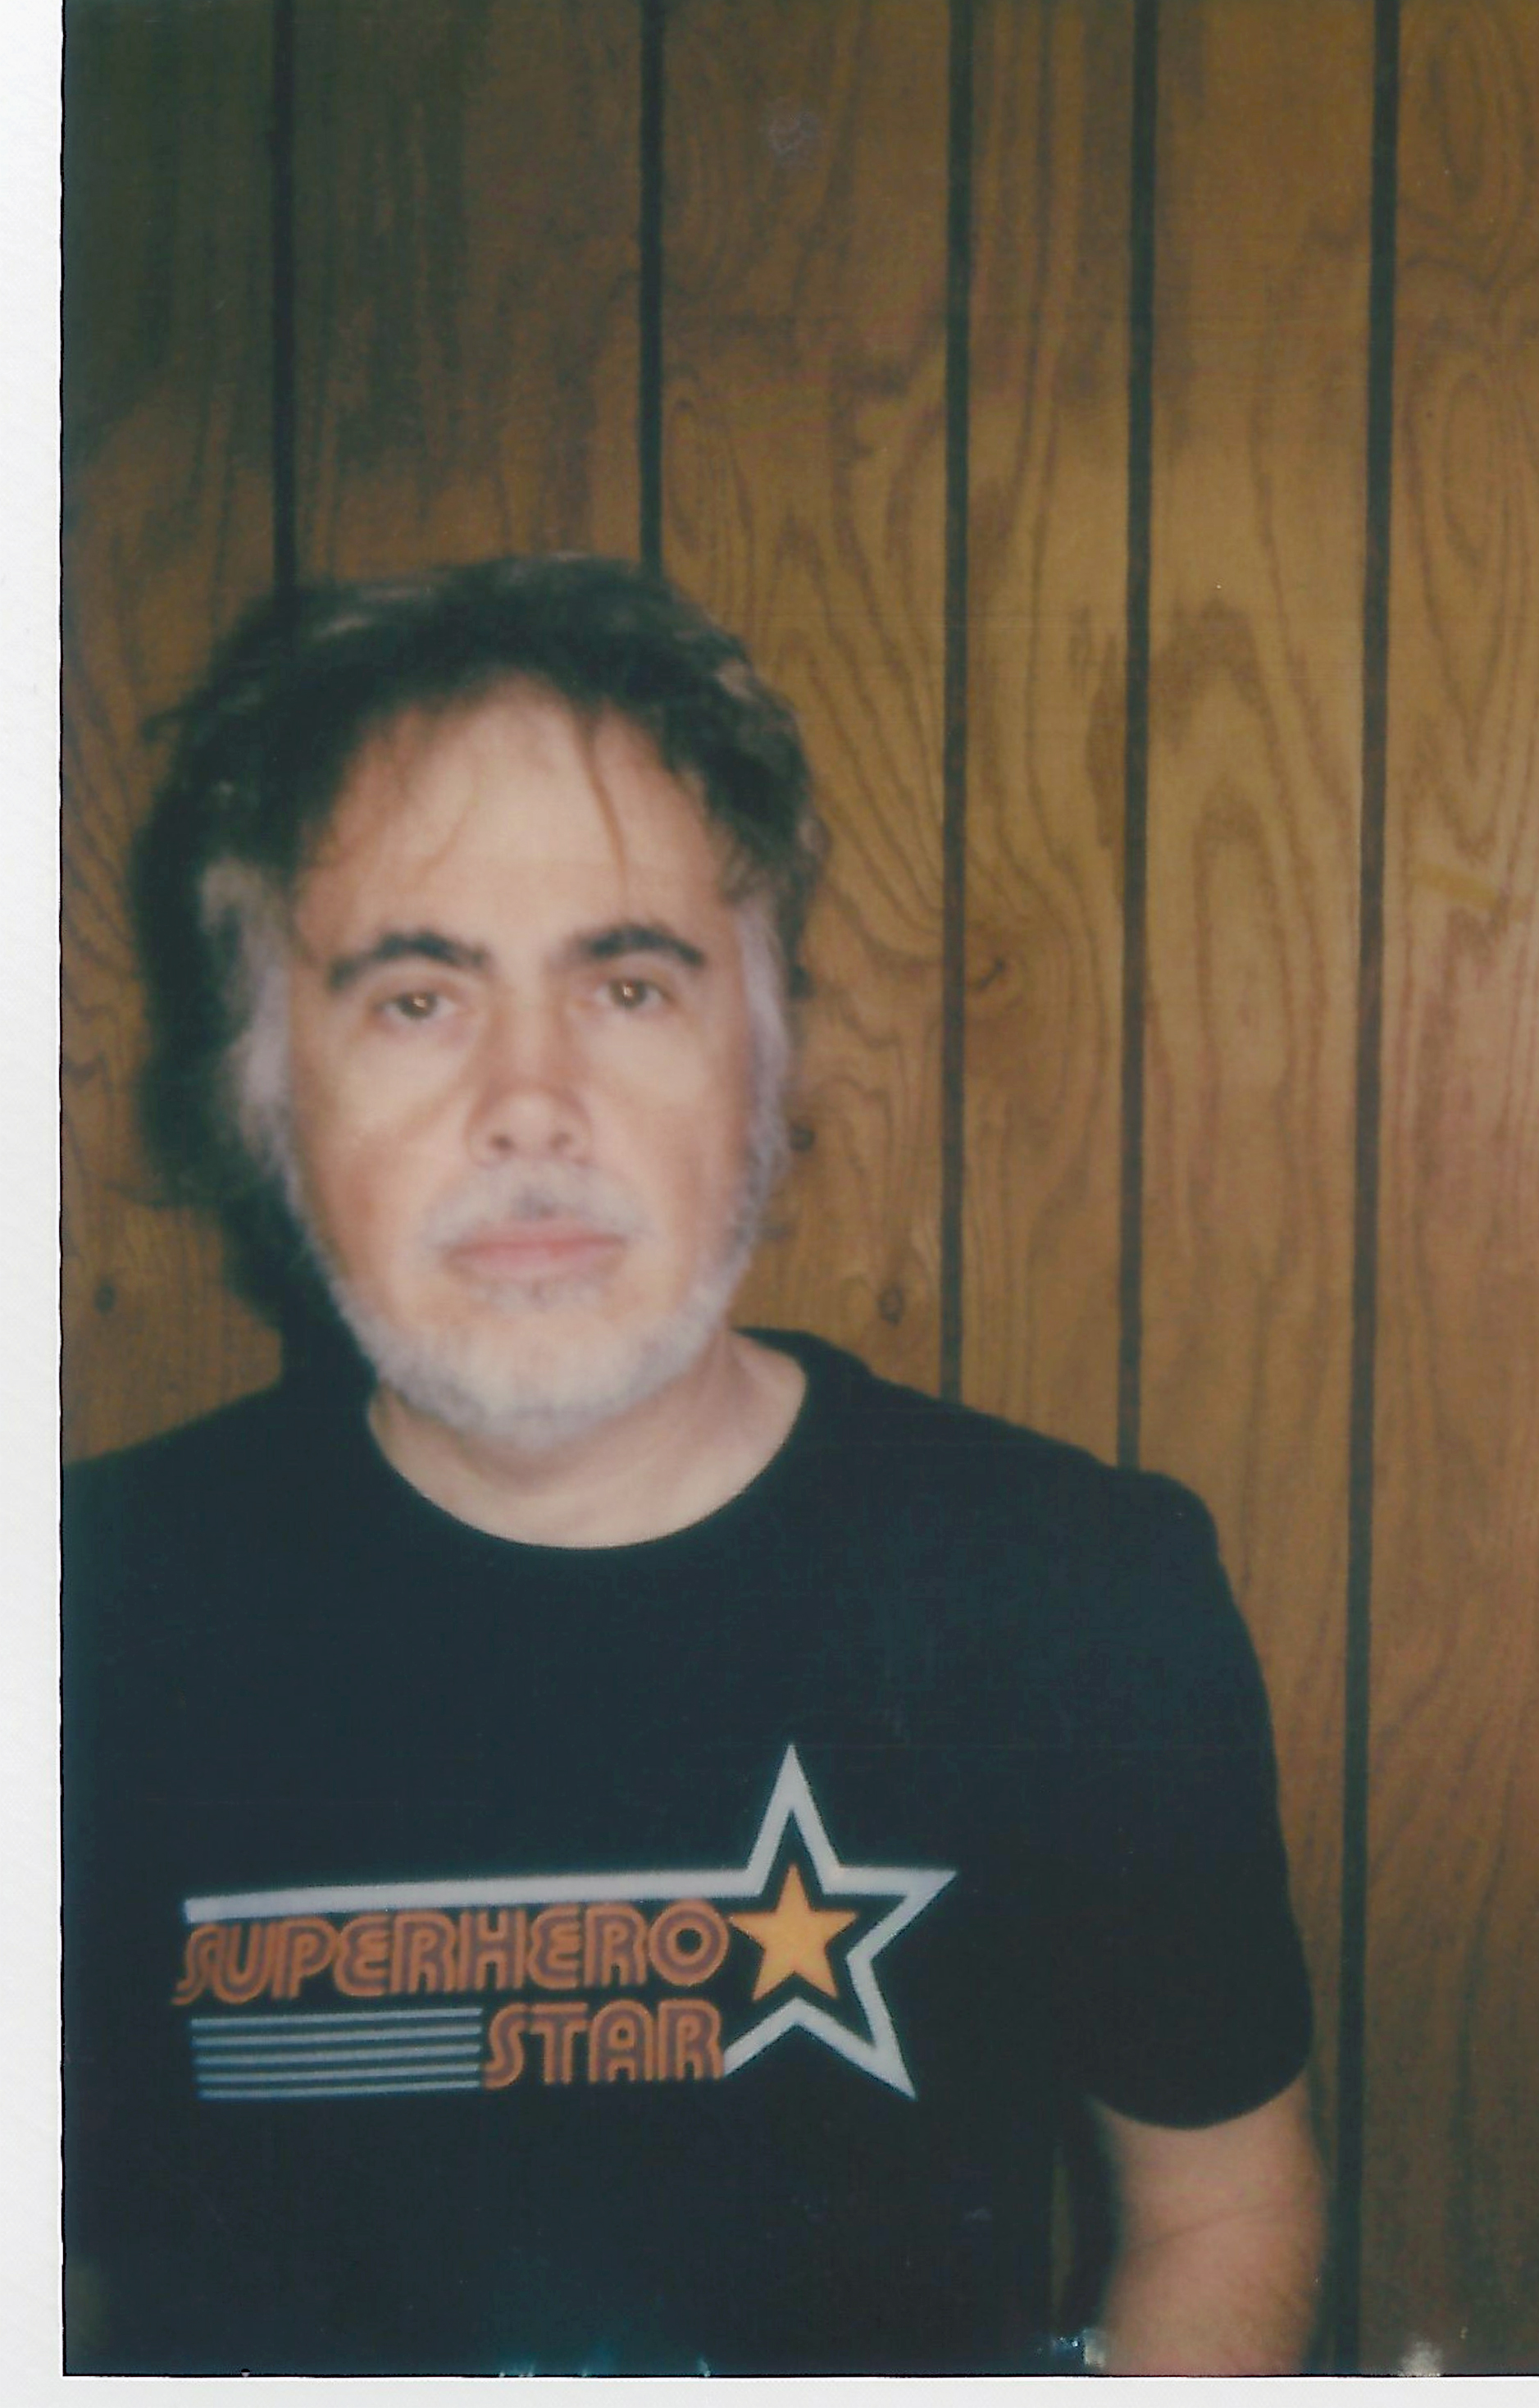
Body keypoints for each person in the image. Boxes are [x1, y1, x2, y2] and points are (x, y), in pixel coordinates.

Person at [62, 557, 1323, 2374]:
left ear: (767, 1059)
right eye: (415, 998)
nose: (530, 1102)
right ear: (267, 1097)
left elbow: (1221, 2210)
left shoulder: (1075, 1595)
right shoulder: (81, 1624)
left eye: (631, 985)